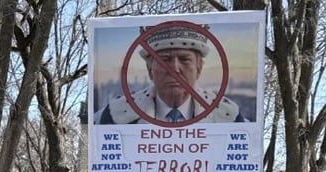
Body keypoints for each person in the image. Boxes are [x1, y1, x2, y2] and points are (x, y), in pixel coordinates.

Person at [94, 24, 246, 124]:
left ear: (199, 68)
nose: (174, 69)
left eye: (185, 60)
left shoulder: (229, 118)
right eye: (164, 60)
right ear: (149, 69)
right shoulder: (113, 116)